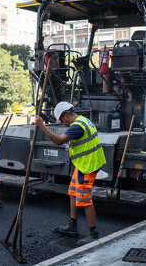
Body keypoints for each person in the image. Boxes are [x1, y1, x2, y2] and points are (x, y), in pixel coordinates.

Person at [34, 101, 106, 246]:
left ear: (65, 116)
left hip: (87, 166)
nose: (63, 123)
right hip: (82, 165)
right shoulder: (84, 120)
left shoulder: (77, 127)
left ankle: (93, 233)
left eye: (62, 120)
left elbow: (59, 141)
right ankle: (73, 225)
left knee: (84, 199)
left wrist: (42, 126)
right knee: (73, 192)